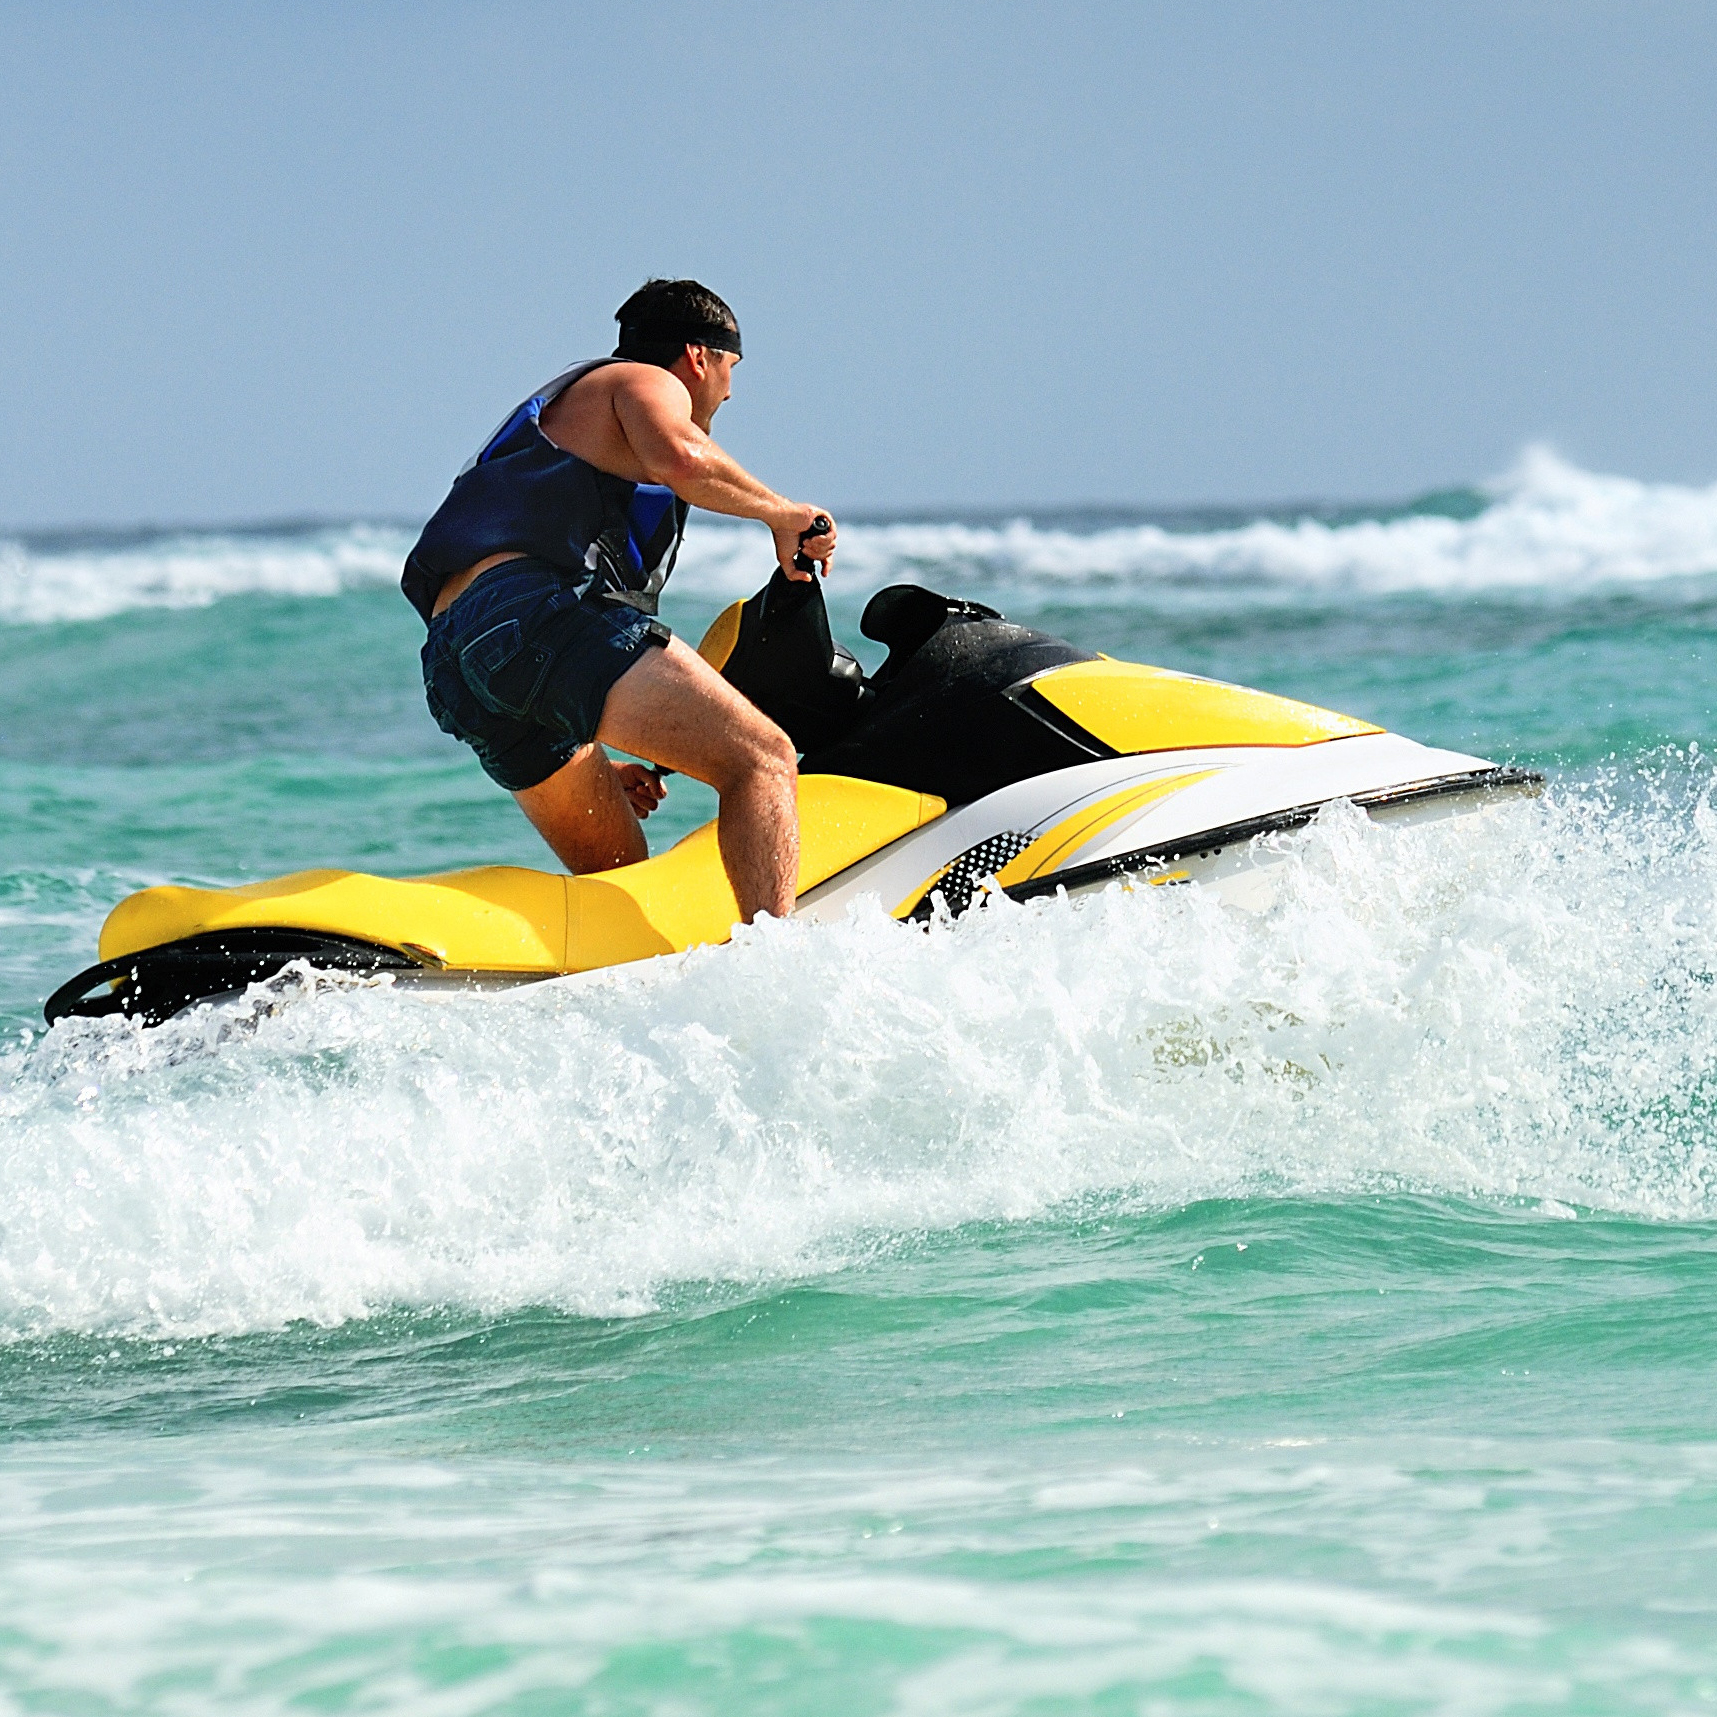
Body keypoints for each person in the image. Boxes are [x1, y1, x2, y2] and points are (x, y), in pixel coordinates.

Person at [403, 279, 837, 924]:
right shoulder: (642, 380)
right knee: (762, 760)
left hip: (463, 661)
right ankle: (780, 967)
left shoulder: (574, 410)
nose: (729, 390)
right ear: (699, 356)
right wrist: (784, 514)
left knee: (620, 882)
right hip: (527, 616)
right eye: (730, 368)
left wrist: (600, 729)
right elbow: (682, 458)